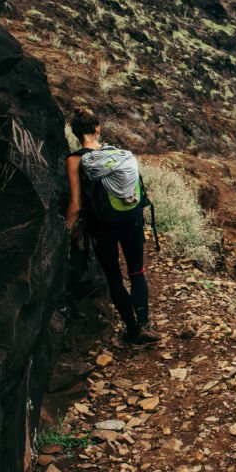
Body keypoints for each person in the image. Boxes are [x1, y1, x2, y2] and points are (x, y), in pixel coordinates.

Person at [66, 106, 160, 344]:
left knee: (114, 278)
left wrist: (66, 232)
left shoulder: (76, 160)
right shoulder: (119, 155)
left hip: (102, 225)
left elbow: (75, 205)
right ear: (98, 129)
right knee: (137, 273)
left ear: (76, 133)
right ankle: (145, 324)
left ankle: (132, 329)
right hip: (132, 220)